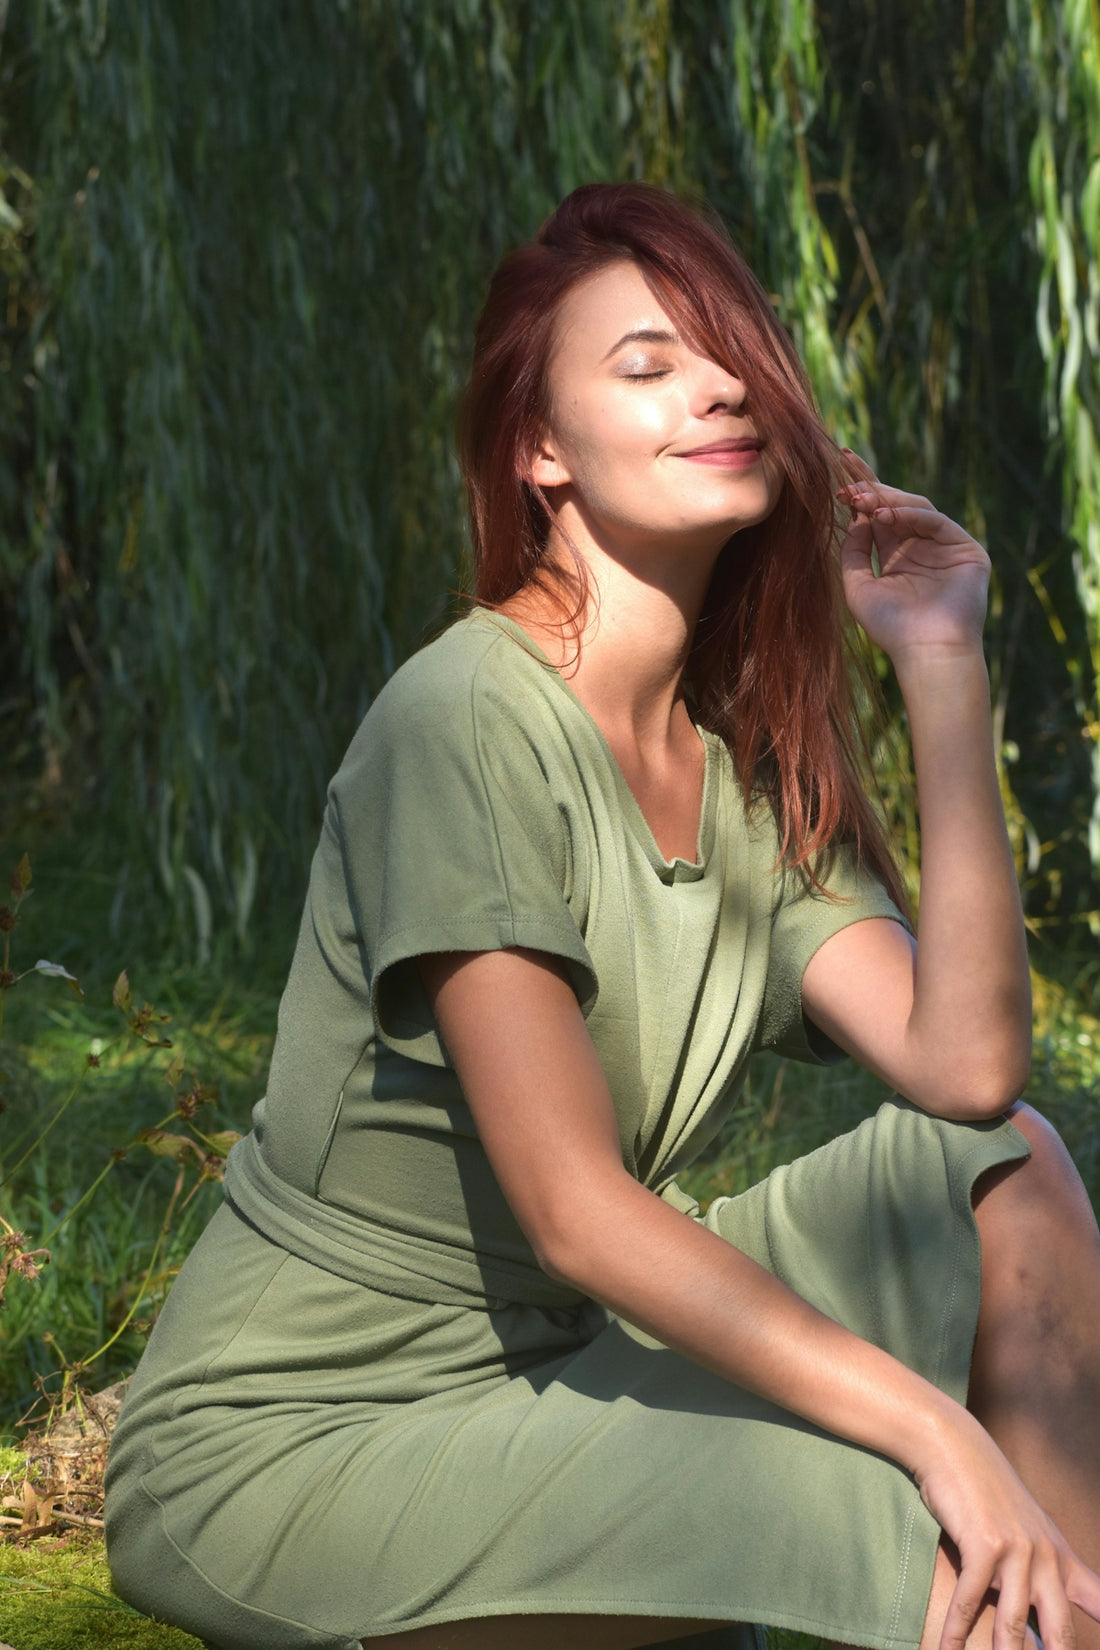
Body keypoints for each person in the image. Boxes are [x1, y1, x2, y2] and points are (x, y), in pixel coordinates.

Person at [104, 183, 1100, 1650]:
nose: (719, 389)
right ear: (541, 449)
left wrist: (942, 659)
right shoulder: (461, 721)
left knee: (1000, 1166)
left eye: (733, 358)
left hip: (569, 1358)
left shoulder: (741, 773)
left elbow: (964, 1067)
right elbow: (574, 1209)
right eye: (648, 365)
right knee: (897, 1512)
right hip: (309, 1439)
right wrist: (934, 1428)